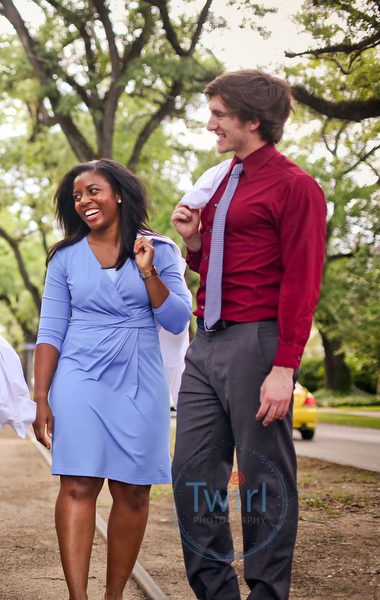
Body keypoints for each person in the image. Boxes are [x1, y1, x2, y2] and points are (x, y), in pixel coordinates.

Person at [170, 70, 326, 600]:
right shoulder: (217, 185)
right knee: (192, 478)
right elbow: (212, 267)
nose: (210, 122)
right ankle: (216, 593)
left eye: (219, 114)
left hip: (258, 345)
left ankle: (265, 592)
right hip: (206, 342)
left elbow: (303, 281)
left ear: (252, 120)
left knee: (263, 483)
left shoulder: (295, 187)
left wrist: (284, 368)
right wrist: (193, 243)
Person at [34, 159, 191, 600]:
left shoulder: (159, 251)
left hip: (140, 375)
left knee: (133, 490)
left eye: (94, 191)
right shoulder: (65, 258)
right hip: (79, 374)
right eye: (78, 195)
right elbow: (50, 331)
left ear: (119, 194)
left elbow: (178, 320)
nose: (85, 201)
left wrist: (148, 271)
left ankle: (114, 595)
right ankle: (78, 597)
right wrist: (41, 396)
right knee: (79, 483)